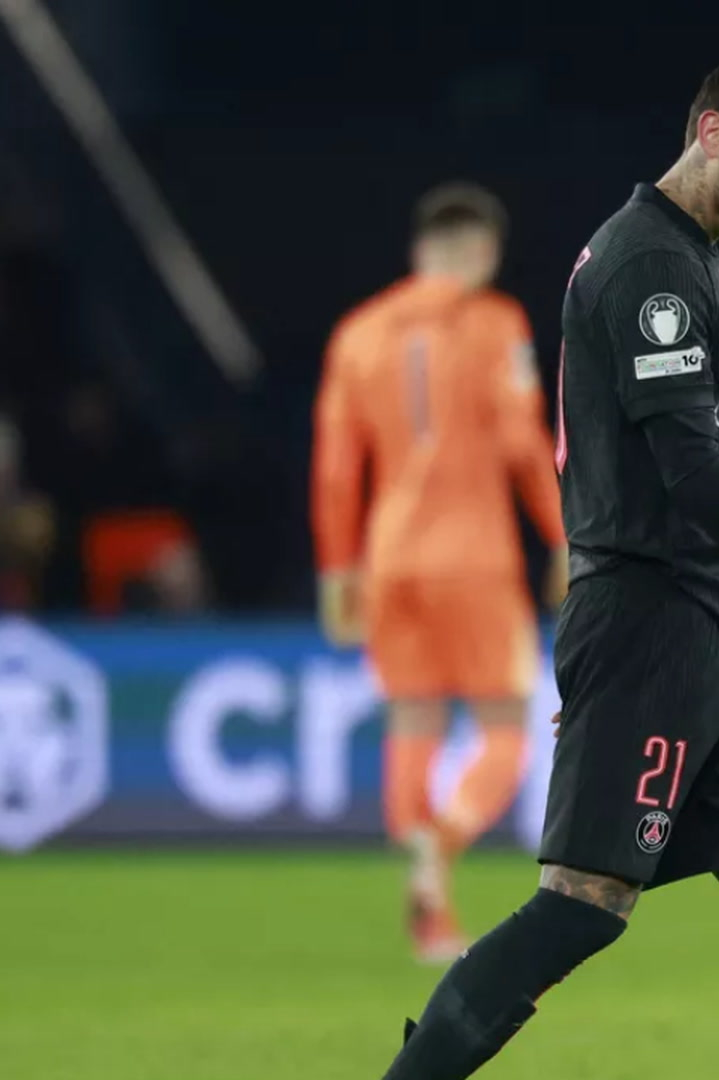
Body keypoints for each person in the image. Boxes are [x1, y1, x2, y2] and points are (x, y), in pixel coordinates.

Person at [379, 53, 719, 1080]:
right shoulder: (648, 265)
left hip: (710, 625)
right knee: (585, 905)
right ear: (711, 132)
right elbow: (693, 472)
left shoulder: (691, 260)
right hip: (650, 622)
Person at [312, 181, 568, 963]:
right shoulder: (496, 324)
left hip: (390, 560)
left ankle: (431, 913)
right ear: (482, 251)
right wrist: (565, 539)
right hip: (475, 558)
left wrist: (337, 569)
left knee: (413, 721)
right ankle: (444, 843)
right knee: (505, 725)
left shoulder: (357, 333)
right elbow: (523, 444)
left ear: (420, 249)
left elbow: (335, 468)